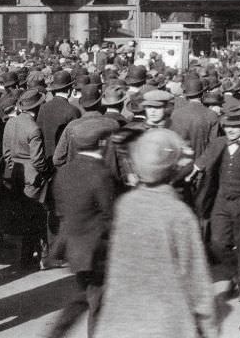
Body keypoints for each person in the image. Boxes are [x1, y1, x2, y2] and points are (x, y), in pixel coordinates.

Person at [94, 128, 217, 338]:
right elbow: (196, 281)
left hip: (120, 323)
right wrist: (209, 327)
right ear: (172, 168)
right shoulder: (179, 214)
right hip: (166, 324)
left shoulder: (126, 204)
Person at [47, 119, 116, 338]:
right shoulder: (101, 174)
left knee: (85, 296)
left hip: (75, 249)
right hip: (97, 249)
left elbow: (60, 209)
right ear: (102, 143)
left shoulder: (65, 172)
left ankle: (57, 332)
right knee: (98, 303)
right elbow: (110, 214)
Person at [195, 101, 240, 302]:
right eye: (227, 126)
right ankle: (235, 274)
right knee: (217, 243)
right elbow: (201, 163)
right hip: (221, 200)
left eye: (235, 126)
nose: (230, 130)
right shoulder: (219, 143)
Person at [1, 88, 50, 270]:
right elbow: (38, 161)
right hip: (33, 179)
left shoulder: (10, 123)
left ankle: (26, 257)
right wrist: (45, 172)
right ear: (37, 107)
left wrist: (14, 168)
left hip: (16, 175)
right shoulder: (34, 128)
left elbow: (6, 153)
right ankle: (39, 256)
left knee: (24, 218)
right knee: (36, 218)